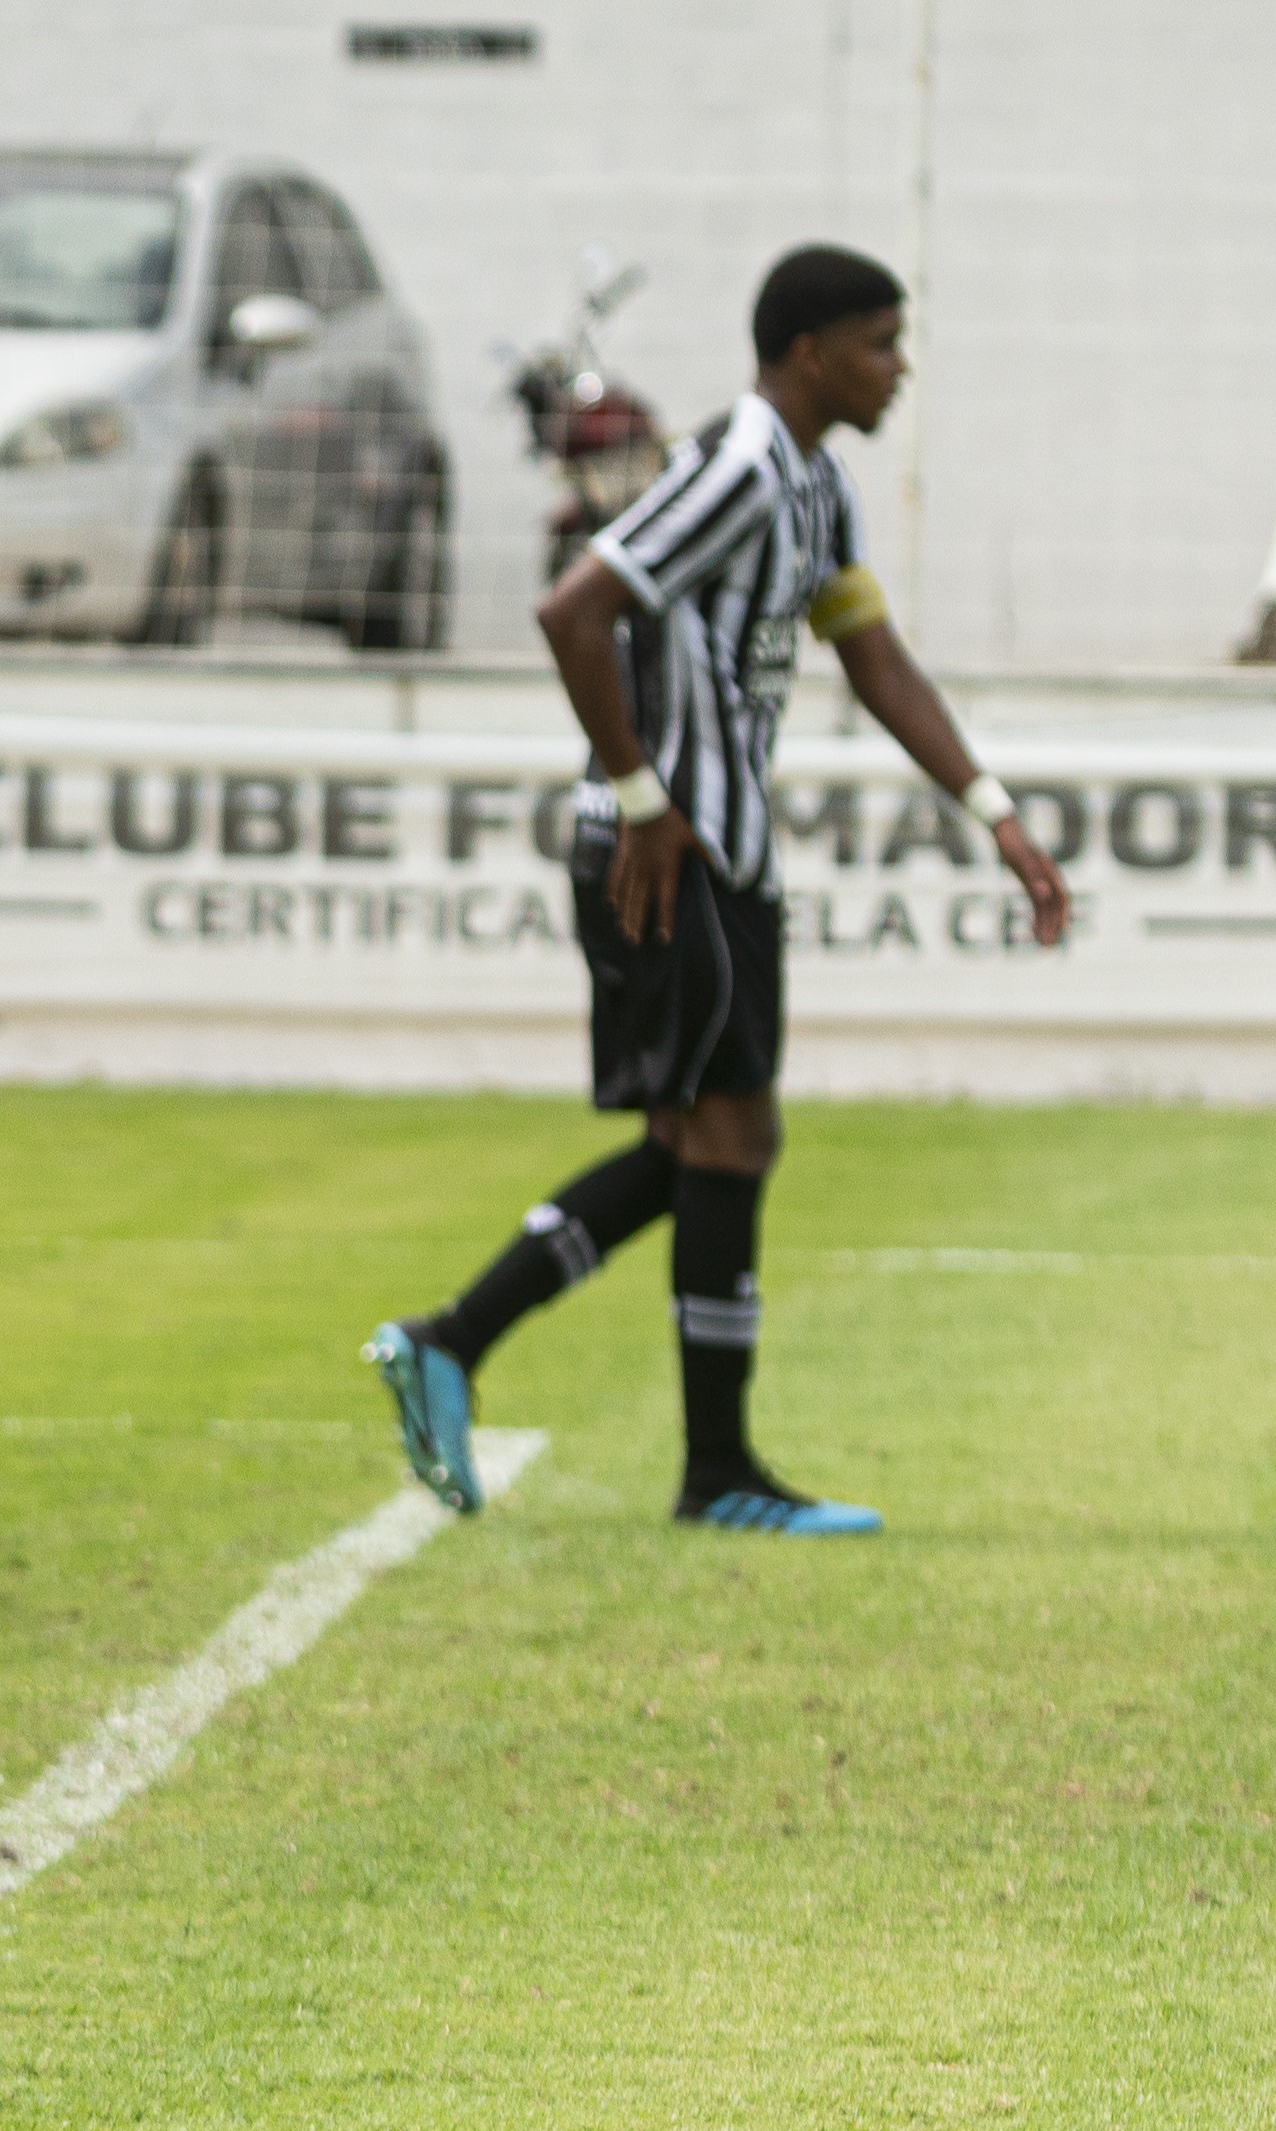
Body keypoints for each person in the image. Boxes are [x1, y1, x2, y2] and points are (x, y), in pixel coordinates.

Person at [364, 246, 1067, 1536]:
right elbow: (575, 610)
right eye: (879, 343)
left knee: (701, 1143)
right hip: (664, 852)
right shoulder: (740, 468)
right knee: (730, 1139)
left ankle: (459, 1342)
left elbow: (873, 659)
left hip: (720, 854)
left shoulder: (817, 485)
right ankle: (711, 1469)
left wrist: (994, 812)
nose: (898, 368)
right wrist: (641, 796)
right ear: (810, 352)